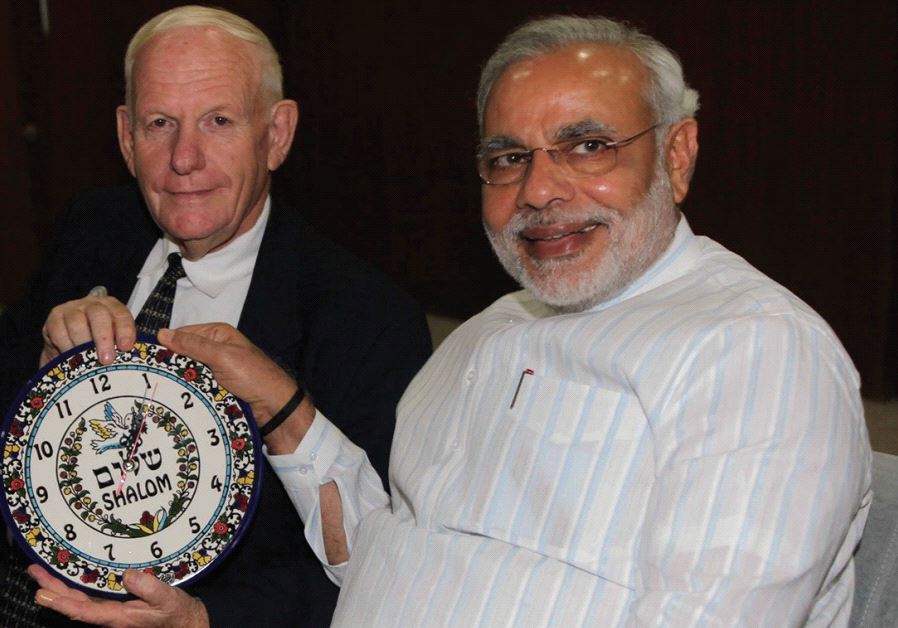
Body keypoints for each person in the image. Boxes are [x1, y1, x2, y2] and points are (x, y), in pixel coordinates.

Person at [29, 14, 872, 627]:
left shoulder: (755, 349)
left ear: (677, 155)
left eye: (587, 146)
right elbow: (380, 548)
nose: (540, 189)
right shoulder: (483, 335)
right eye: (509, 158)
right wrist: (283, 412)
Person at [0, 5, 431, 627]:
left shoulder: (365, 319)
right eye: (159, 123)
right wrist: (42, 371)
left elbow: (378, 563)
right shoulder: (90, 231)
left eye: (219, 121)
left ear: (277, 134)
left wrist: (203, 620)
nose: (183, 158)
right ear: (126, 137)